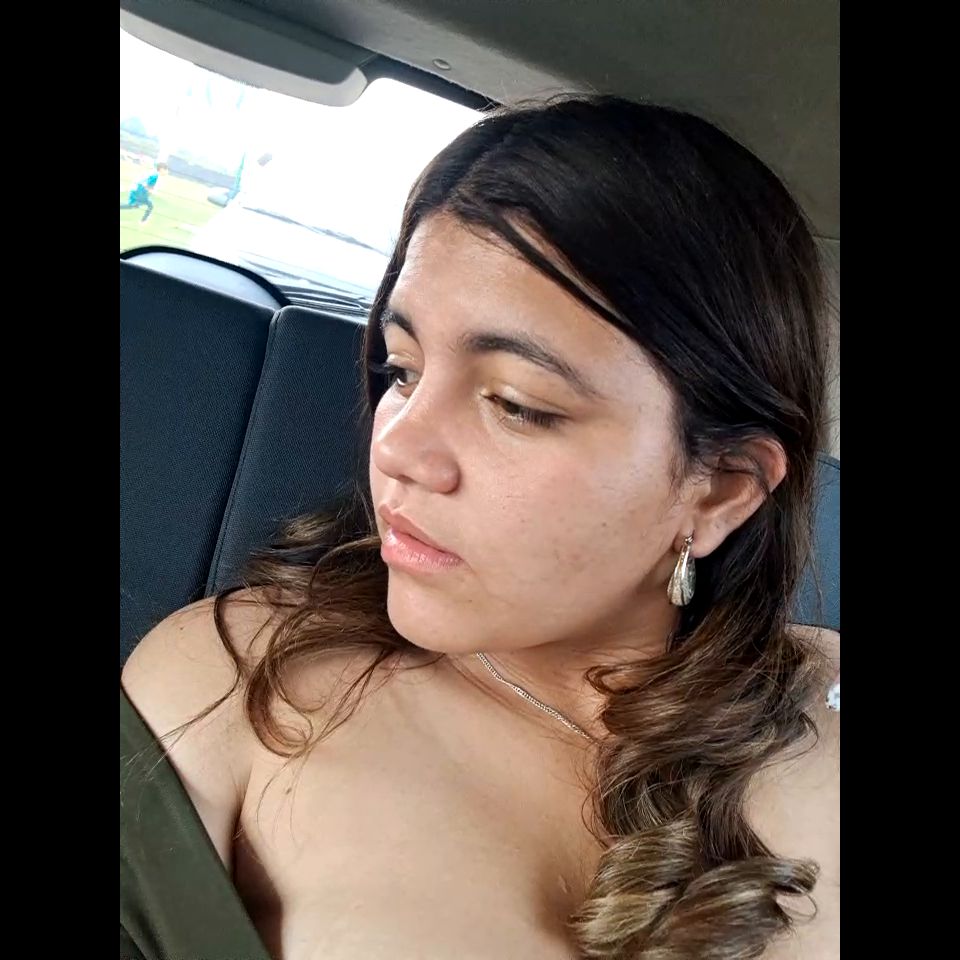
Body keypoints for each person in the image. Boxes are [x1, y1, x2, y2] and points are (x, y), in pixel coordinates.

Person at [121, 95, 840, 960]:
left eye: (516, 404)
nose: (397, 448)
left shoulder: (821, 705)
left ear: (720, 490)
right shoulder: (231, 678)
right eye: (400, 369)